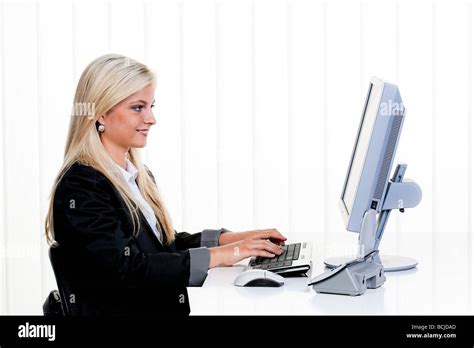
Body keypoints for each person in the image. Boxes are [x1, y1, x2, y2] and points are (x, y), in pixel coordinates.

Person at [44, 53, 287, 318]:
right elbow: (128, 268)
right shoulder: (81, 186)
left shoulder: (135, 175)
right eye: (138, 107)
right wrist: (222, 255)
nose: (151, 119)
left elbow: (162, 248)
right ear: (101, 113)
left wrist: (237, 241)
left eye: (151, 106)